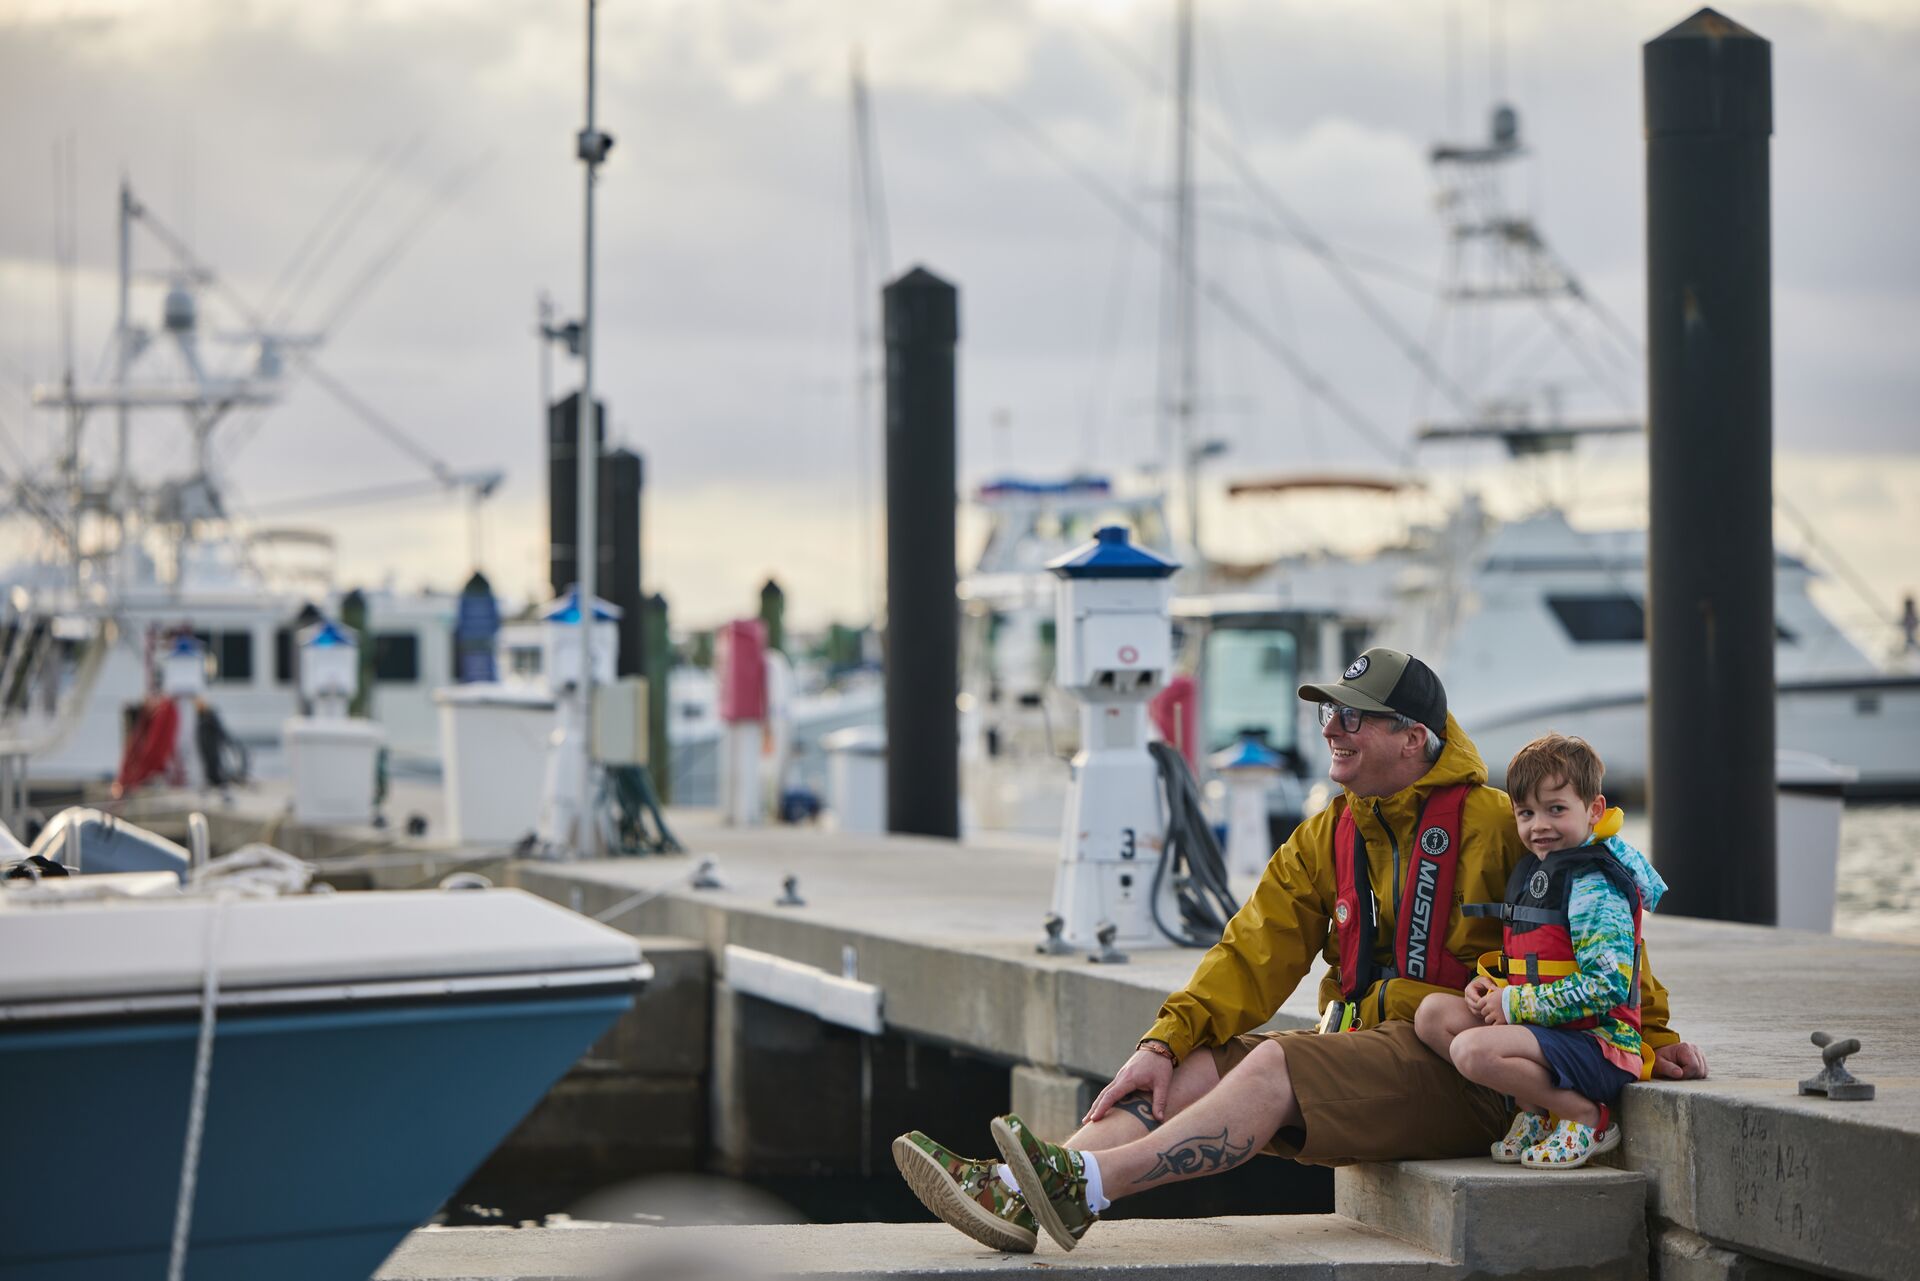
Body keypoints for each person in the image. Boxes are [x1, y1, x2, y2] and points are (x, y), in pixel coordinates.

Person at [893, 646, 1708, 1254]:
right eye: (1328, 713)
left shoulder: (1500, 821)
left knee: (1278, 1064)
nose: (1332, 728)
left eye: (1353, 715)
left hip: (1466, 1067)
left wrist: (1657, 1037)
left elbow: (1605, 920)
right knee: (1200, 1062)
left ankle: (1091, 1188)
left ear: (1413, 737)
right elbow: (1252, 948)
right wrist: (1163, 1040)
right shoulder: (1329, 830)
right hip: (1367, 1052)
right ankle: (1014, 1192)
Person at [1414, 733, 1665, 1170]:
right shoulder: (1538, 870)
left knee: (1473, 1051)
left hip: (1600, 1045)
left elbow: (1604, 987)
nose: (1539, 826)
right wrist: (1493, 986)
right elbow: (1539, 964)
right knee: (1432, 1015)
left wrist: (1512, 1002)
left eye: (1556, 810)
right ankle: (1536, 1112)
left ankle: (1587, 1116)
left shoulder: (1595, 886)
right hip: (1551, 1032)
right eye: (1526, 813)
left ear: (1595, 810)